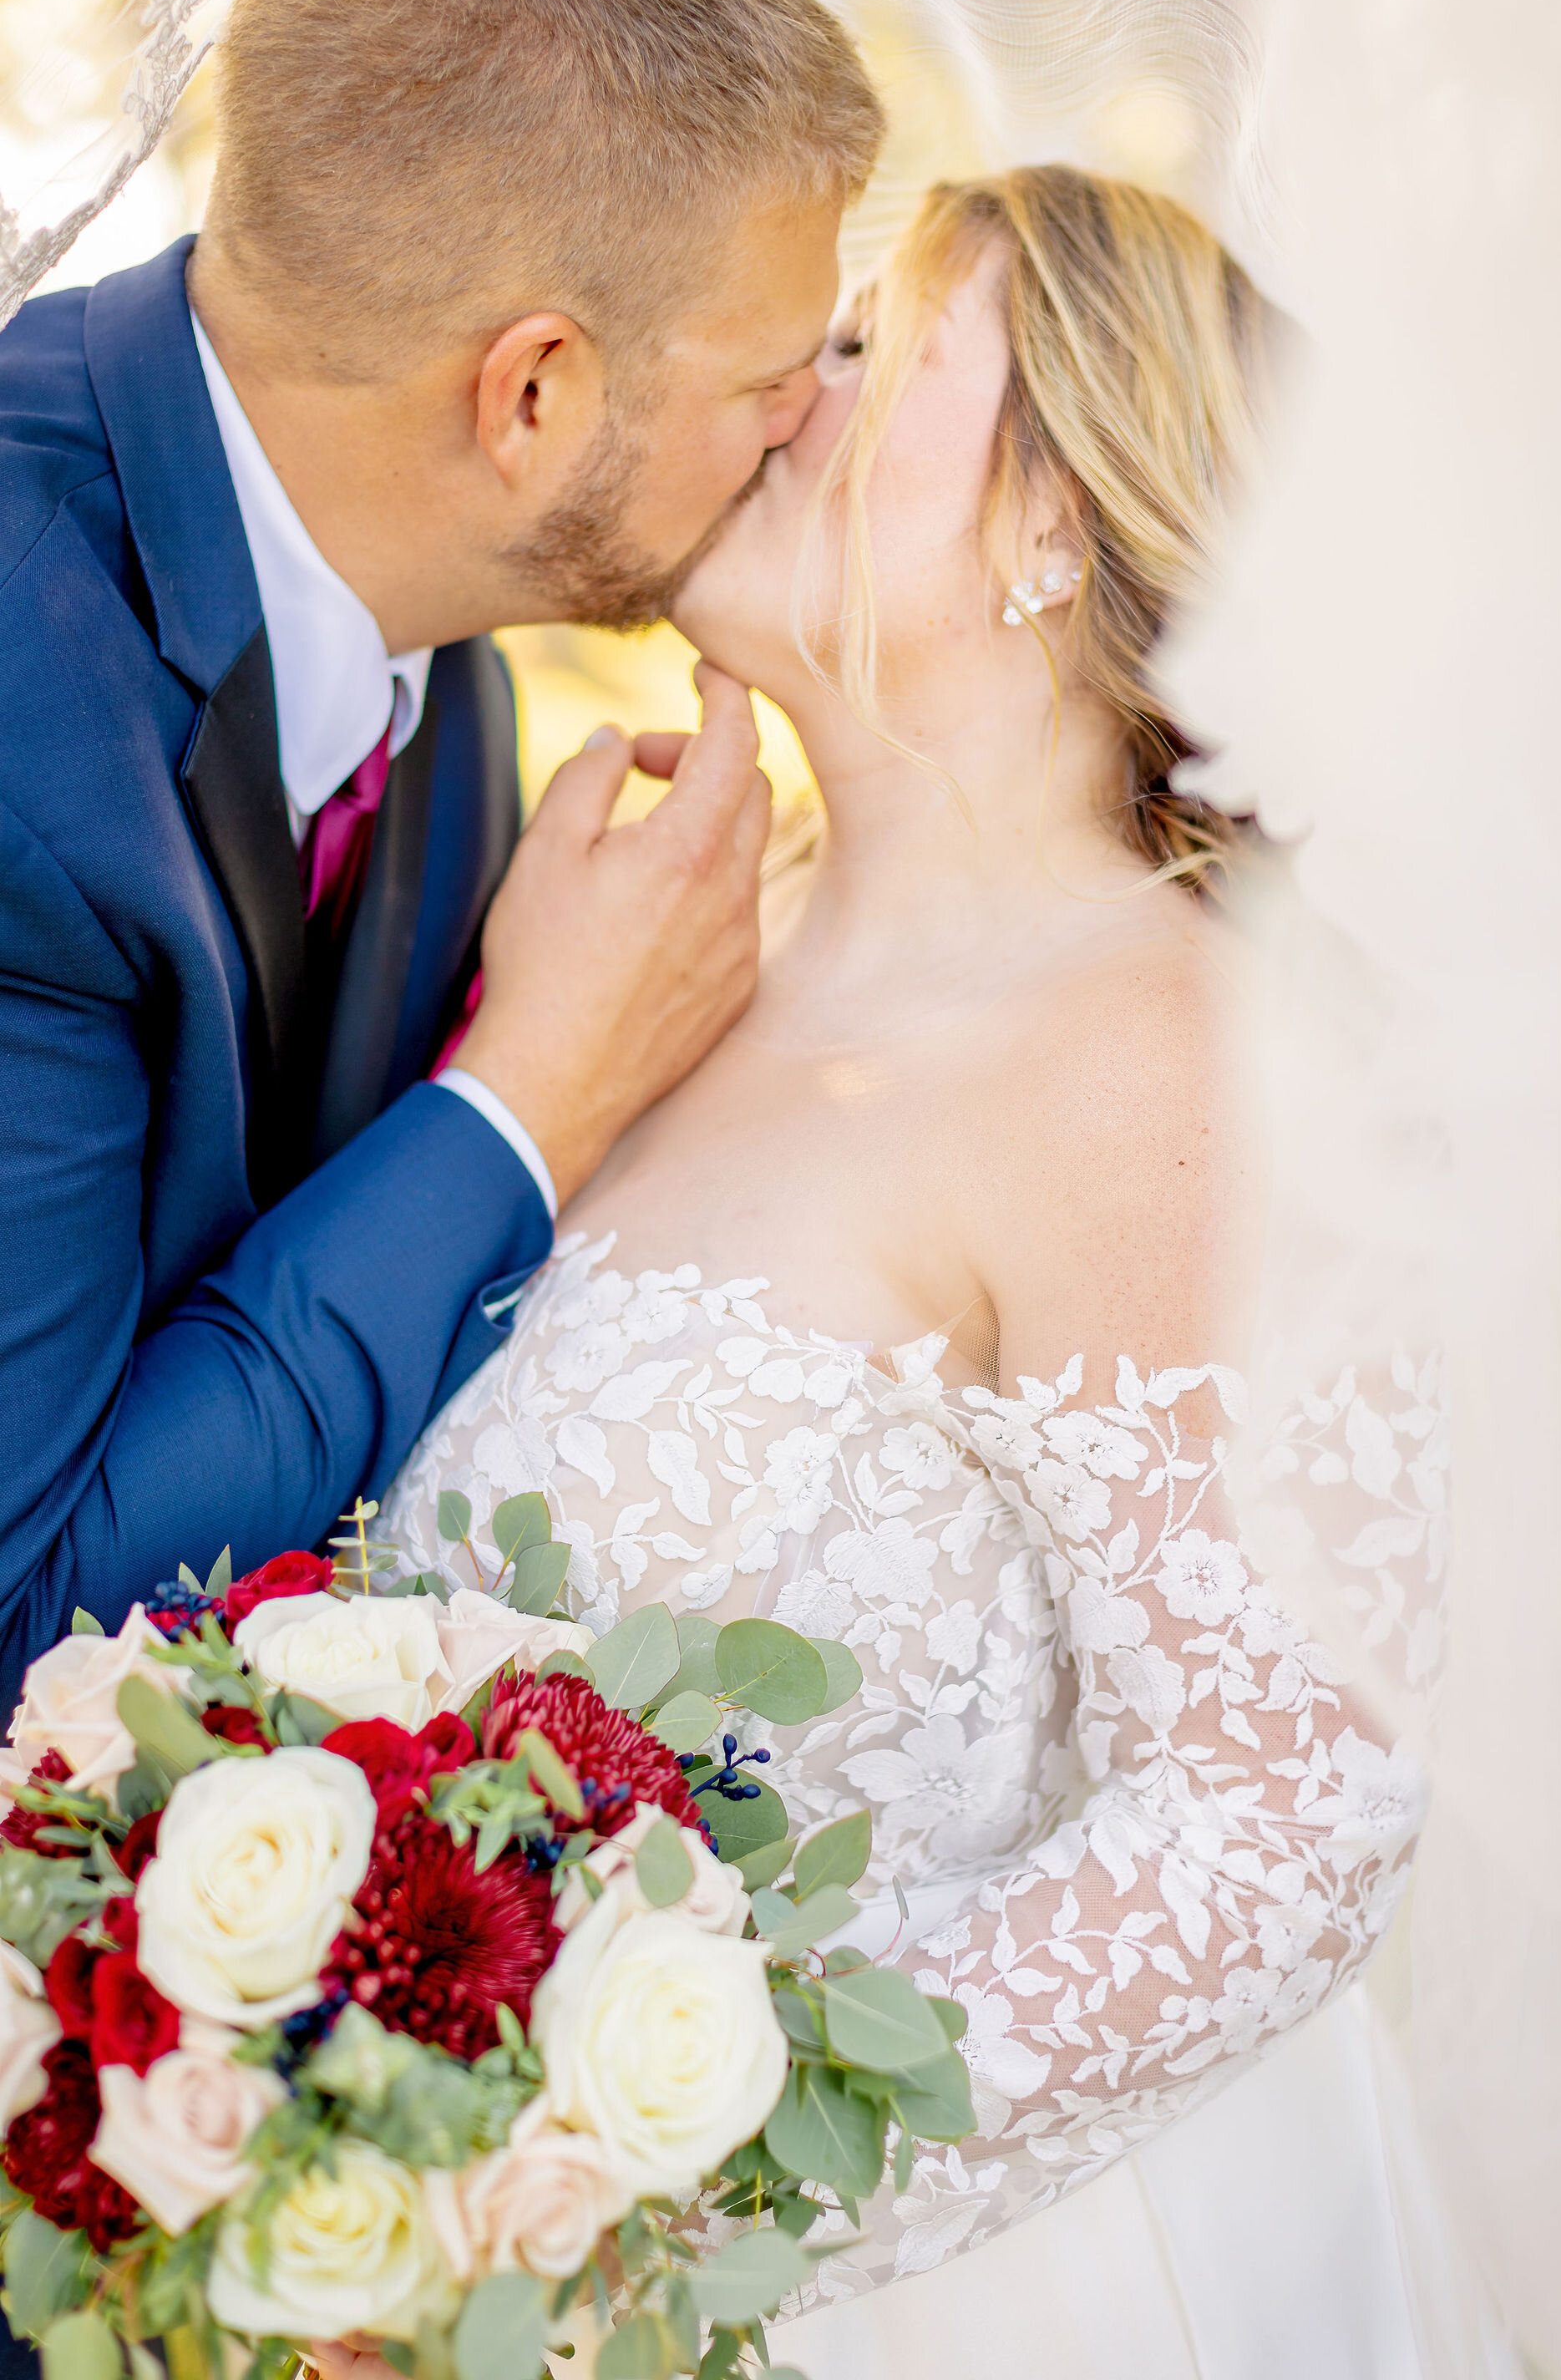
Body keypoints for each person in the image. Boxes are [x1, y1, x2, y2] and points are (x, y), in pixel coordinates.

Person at [378, 169, 1434, 2374]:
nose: (786, 392)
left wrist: (655, 2182)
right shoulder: (664, 943)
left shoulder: (1151, 1050)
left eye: (872, 352)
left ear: (1055, 515)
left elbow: (1283, 1809)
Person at [0, 0, 881, 1708]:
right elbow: (25, 1612)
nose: (816, 429)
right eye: (771, 378)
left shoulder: (447, 666)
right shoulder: (18, 711)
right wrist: (537, 1088)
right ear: (533, 394)